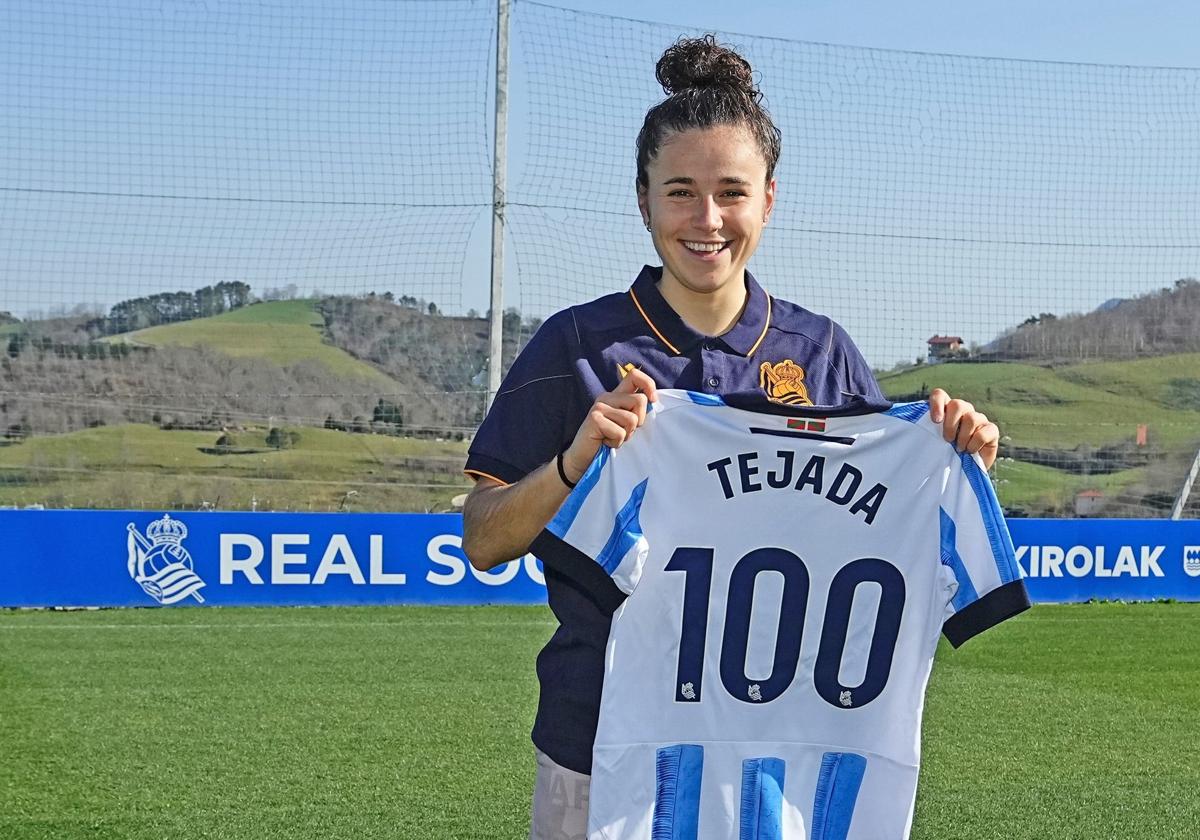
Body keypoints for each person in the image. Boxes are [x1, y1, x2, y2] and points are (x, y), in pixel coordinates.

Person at [462, 35, 999, 840]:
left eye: (731, 192)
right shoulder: (577, 345)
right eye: (680, 192)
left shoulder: (822, 355)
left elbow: (891, 528)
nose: (706, 220)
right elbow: (482, 539)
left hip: (789, 762)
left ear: (769, 201)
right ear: (643, 200)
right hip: (601, 747)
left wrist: (955, 464)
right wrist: (575, 464)